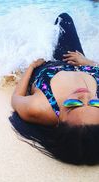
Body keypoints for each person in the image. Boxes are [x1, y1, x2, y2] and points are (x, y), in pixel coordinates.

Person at [9, 13, 99, 165]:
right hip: (75, 61)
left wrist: (31, 67)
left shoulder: (39, 107)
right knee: (64, 19)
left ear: (60, 122)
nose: (85, 96)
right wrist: (89, 62)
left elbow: (16, 98)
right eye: (95, 104)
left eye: (73, 105)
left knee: (20, 36)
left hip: (45, 66)